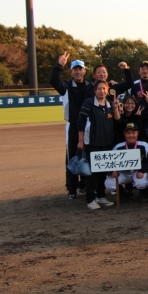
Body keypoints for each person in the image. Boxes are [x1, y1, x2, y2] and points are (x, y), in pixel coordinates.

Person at [49, 52, 94, 199]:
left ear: (84, 71)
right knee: (72, 156)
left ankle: (85, 185)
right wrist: (59, 65)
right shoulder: (66, 86)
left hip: (88, 125)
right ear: (71, 72)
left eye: (80, 69)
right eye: (75, 69)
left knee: (88, 155)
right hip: (73, 126)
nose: (78, 72)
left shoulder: (91, 86)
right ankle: (72, 188)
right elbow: (53, 80)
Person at [77, 79, 120, 209]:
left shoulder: (109, 104)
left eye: (104, 88)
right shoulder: (89, 103)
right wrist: (80, 140)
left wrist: (116, 108)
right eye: (99, 88)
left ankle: (101, 196)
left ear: (107, 90)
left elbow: (117, 120)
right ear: (95, 90)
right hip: (92, 143)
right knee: (91, 173)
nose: (102, 91)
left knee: (102, 172)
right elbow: (81, 122)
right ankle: (90, 199)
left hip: (106, 143)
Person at [105, 122, 148, 201]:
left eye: (133, 133)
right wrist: (113, 171)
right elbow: (111, 163)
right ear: (124, 134)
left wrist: (142, 170)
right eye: (128, 133)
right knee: (109, 184)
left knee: (141, 182)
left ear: (137, 133)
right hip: (122, 173)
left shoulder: (144, 145)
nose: (131, 135)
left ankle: (144, 192)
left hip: (137, 172)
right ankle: (121, 192)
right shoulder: (118, 147)